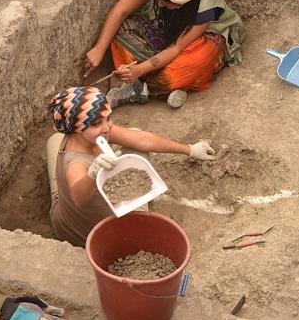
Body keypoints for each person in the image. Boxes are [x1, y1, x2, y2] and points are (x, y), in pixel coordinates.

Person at [45, 86, 216, 247]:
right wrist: (91, 175)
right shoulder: (76, 163)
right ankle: (136, 219)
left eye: (108, 118)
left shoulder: (81, 133)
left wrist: (190, 149)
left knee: (55, 140)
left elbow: (143, 139)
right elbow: (79, 197)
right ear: (76, 129)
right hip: (100, 234)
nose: (106, 127)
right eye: (96, 123)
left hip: (66, 220)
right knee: (136, 156)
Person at [82, 0, 244, 110]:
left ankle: (146, 87)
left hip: (197, 42)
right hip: (164, 31)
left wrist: (139, 70)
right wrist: (100, 47)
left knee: (200, 59)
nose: (159, 4)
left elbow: (176, 48)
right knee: (119, 31)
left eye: (167, 3)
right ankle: (163, 84)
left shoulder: (205, 6)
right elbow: (121, 11)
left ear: (182, 3)